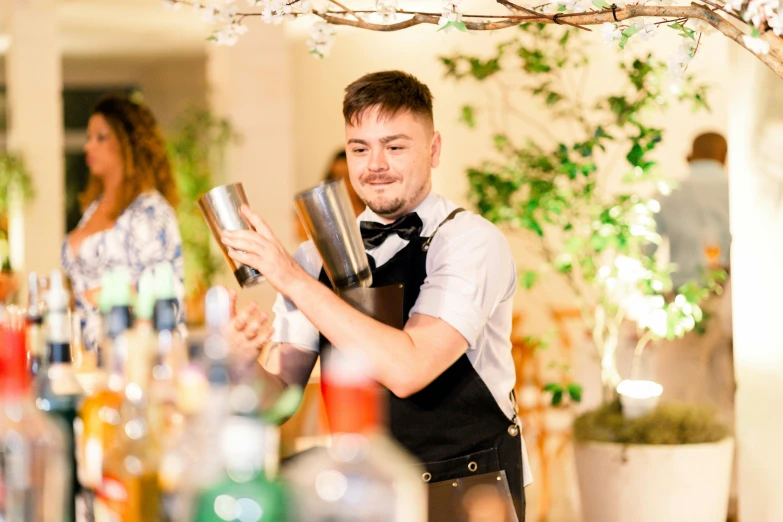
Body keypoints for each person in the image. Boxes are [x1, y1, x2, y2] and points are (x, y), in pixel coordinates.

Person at [222, 70, 530, 521]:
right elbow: (280, 402)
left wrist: (289, 277)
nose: (375, 164)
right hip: (358, 494)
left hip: (470, 491)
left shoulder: (469, 241)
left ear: (434, 149)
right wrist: (242, 362)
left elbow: (409, 368)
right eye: (360, 148)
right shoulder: (313, 259)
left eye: (395, 145)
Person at [61, 94, 185, 351]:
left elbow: (164, 300)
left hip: (130, 356)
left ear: (129, 142)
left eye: (100, 137)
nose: (88, 147)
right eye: (88, 137)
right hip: (83, 358)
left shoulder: (150, 211)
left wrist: (102, 294)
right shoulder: (93, 208)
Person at [655, 132, 730, 288]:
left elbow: (645, 249)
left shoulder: (667, 191)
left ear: (692, 153)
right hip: (729, 291)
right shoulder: (739, 191)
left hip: (681, 293)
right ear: (724, 155)